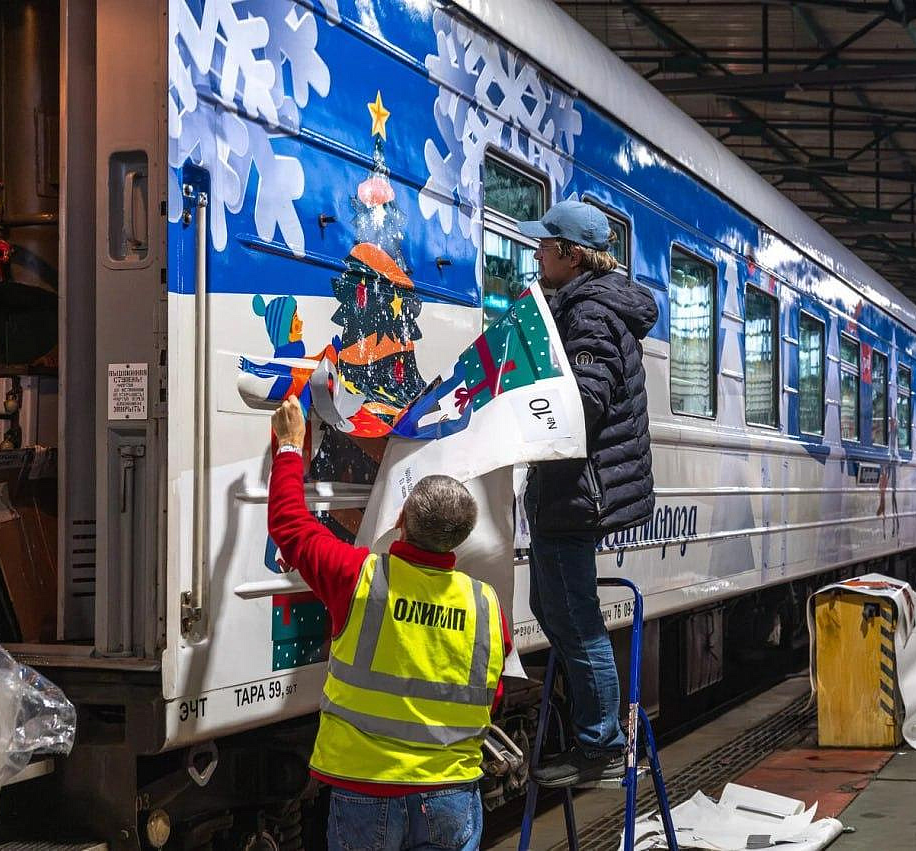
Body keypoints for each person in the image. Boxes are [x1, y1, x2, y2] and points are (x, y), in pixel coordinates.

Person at [267, 398, 511, 851]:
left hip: (366, 791)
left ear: (400, 521)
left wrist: (288, 447)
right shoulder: (486, 607)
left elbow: (290, 525)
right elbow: (491, 696)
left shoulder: (358, 577)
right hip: (450, 795)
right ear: (460, 537)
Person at [515, 200, 659, 787]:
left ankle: (600, 747)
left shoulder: (589, 313)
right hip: (568, 491)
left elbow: (587, 400)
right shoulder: (582, 304)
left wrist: (521, 409)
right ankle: (594, 734)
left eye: (545, 247)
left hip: (579, 491)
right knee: (552, 609)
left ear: (571, 256)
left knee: (576, 617)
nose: (537, 253)